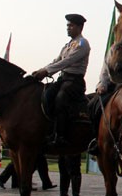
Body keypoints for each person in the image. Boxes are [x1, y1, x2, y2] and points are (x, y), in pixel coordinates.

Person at [31, 13, 91, 146]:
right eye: (67, 25)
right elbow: (57, 60)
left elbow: (68, 61)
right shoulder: (68, 45)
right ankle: (48, 130)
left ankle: (61, 136)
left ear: (80, 27)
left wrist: (46, 72)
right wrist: (42, 70)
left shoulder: (82, 43)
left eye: (71, 25)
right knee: (46, 96)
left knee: (60, 98)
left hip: (74, 81)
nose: (68, 28)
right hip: (63, 79)